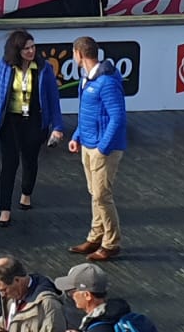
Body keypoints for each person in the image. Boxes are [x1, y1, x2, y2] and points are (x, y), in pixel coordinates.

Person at [0, 29, 65, 226]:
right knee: (9, 164)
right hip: (10, 121)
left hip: (34, 120)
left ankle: (26, 193)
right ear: (16, 50)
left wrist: (58, 126)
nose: (31, 51)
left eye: (32, 47)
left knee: (29, 160)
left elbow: (53, 99)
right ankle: (4, 209)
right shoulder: (5, 65)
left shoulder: (44, 68)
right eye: (26, 48)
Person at [68, 35, 127, 262]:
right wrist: (78, 136)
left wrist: (103, 147)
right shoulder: (88, 79)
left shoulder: (107, 82)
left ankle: (111, 243)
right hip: (89, 143)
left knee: (102, 196)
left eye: (74, 53)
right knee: (95, 194)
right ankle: (96, 236)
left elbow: (117, 117)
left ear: (79, 54)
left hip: (104, 149)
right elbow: (88, 113)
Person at [56, 262, 156, 332]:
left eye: (71, 291)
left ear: (87, 295)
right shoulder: (116, 313)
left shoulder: (99, 328)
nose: (71, 296)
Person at [0, 256, 64, 332]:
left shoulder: (48, 304)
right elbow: (6, 322)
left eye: (4, 290)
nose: (2, 295)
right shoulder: (13, 296)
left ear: (17, 280)